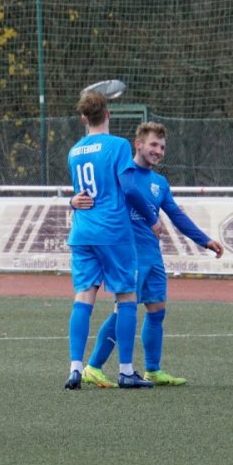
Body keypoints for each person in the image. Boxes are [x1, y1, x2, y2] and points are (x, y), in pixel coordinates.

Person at [75, 122, 224, 388]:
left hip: (152, 256)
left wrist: (205, 240)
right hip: (128, 252)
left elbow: (175, 215)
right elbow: (95, 198)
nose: (158, 151)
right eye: (153, 145)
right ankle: (93, 367)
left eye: (162, 147)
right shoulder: (122, 174)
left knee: (157, 310)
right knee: (123, 310)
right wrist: (72, 201)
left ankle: (153, 370)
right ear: (138, 145)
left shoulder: (159, 183)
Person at [64, 90, 161, 390]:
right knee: (126, 298)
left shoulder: (74, 151)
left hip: (82, 232)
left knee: (83, 297)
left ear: (84, 119)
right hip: (112, 231)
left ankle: (75, 368)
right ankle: (126, 371)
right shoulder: (118, 145)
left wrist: (71, 202)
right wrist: (152, 218)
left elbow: (80, 194)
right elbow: (129, 188)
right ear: (108, 114)